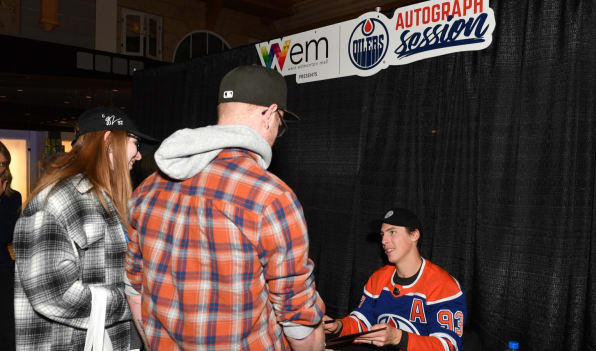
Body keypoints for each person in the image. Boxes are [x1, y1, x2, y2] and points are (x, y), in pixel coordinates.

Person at [125, 65, 325, 350]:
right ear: (269, 114)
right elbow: (299, 322)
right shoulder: (271, 197)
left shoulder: (146, 189)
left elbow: (134, 290)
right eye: (281, 122)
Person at [13, 106, 154, 350]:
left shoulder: (112, 201)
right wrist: (131, 301)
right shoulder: (55, 202)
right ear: (109, 141)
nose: (139, 155)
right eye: (135, 143)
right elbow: (51, 294)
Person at [323, 208, 466, 351]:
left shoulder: (443, 285)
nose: (384, 241)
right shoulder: (378, 278)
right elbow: (362, 322)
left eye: (392, 232)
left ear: (414, 235)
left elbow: (448, 346)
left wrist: (398, 338)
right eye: (382, 234)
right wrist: (339, 326)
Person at [0, 141, 22, 349]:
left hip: (4, 272)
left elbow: (6, 234)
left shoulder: (12, 197)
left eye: (2, 164)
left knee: (7, 334)